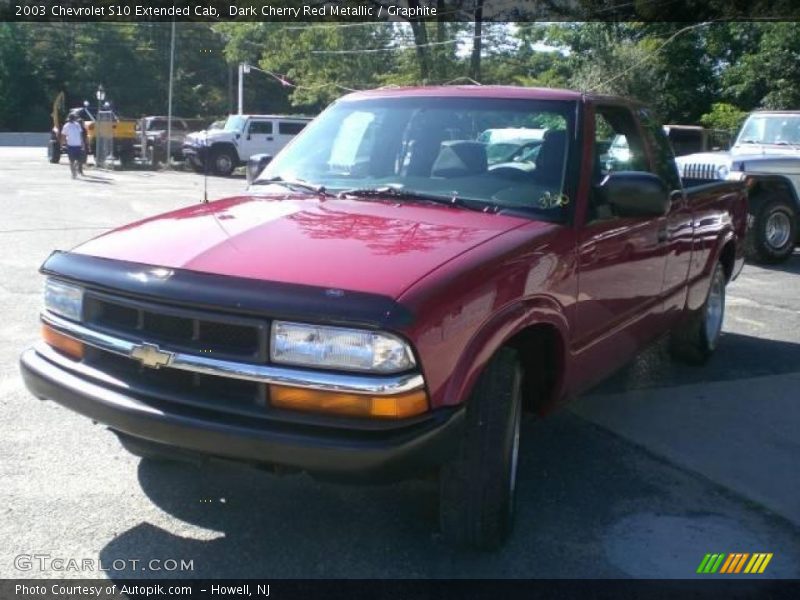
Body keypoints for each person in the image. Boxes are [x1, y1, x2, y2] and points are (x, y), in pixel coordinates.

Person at [60, 113, 84, 179]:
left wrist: (82, 143)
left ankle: (75, 170)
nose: (74, 119)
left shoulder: (77, 125)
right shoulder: (66, 126)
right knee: (71, 161)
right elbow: (63, 135)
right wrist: (62, 144)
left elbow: (80, 134)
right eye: (73, 118)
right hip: (70, 145)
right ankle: (73, 173)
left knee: (79, 160)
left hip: (78, 145)